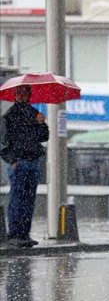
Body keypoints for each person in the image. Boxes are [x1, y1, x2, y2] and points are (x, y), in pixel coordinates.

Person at [0, 85, 49, 248]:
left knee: (28, 199)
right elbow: (3, 142)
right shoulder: (10, 116)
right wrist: (12, 161)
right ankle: (14, 234)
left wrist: (42, 123)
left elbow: (43, 137)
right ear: (15, 95)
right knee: (17, 198)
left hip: (32, 161)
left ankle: (24, 233)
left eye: (25, 93)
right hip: (20, 162)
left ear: (29, 95)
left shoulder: (35, 113)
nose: (23, 96)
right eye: (20, 93)